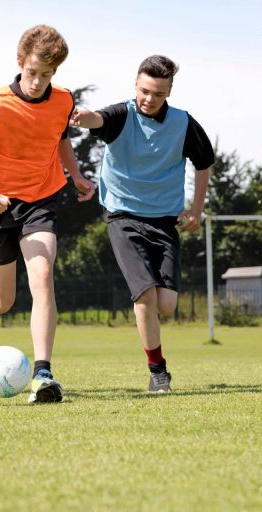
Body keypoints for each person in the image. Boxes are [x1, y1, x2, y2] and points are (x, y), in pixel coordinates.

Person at [0, 25, 95, 404]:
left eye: (46, 75)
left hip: (41, 201)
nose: (37, 82)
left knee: (43, 274)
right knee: (3, 302)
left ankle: (43, 373)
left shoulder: (63, 101)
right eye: (32, 72)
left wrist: (76, 174)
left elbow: (61, 139)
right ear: (20, 62)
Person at [70, 55, 215, 393]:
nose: (149, 99)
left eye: (158, 94)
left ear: (169, 92)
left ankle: (155, 355)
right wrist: (81, 117)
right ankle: (158, 371)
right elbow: (98, 118)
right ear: (135, 85)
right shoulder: (122, 115)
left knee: (166, 304)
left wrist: (195, 210)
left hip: (164, 221)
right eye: (144, 91)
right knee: (145, 296)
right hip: (123, 216)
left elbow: (204, 163)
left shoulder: (183, 124)